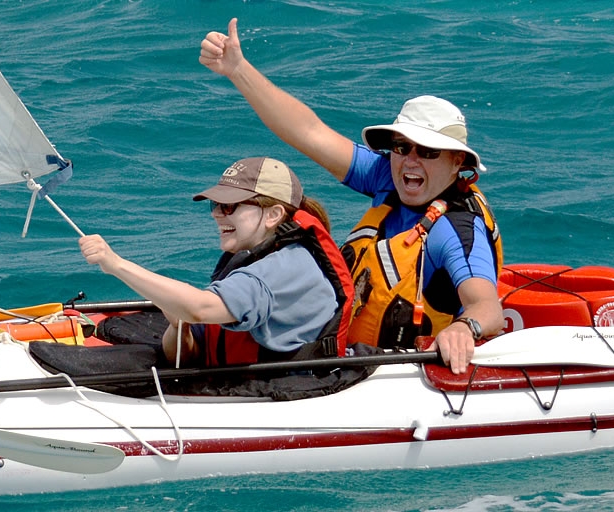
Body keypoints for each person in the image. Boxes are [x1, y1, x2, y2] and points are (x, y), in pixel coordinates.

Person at [199, 19, 504, 374]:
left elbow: (487, 308)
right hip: (342, 354)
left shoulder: (457, 229)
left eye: (428, 152)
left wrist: (465, 328)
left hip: (395, 377)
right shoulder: (387, 176)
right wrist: (238, 70)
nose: (410, 161)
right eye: (402, 147)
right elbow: (309, 132)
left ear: (457, 163)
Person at [78, 157, 354, 369]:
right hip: (242, 385)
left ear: (273, 214)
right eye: (216, 206)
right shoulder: (251, 260)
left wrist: (115, 264)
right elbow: (188, 351)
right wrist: (178, 325)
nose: (217, 215)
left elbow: (200, 309)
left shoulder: (285, 268)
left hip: (286, 398)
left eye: (229, 206)